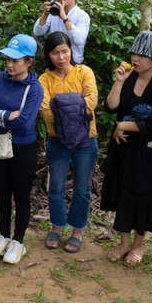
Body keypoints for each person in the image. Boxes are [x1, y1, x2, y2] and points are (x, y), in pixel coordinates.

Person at [101, 32, 152, 266]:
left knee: (142, 196)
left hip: (146, 152)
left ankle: (137, 245)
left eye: (143, 55)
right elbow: (111, 107)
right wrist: (120, 81)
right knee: (123, 194)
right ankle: (123, 244)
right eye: (134, 52)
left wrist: (122, 125)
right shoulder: (129, 79)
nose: (136, 58)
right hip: (123, 149)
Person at [0, 34, 43, 265]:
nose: (9, 64)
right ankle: (4, 236)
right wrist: (6, 115)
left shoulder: (35, 88)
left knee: (21, 195)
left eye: (15, 60)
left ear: (29, 61)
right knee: (2, 193)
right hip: (0, 144)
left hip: (23, 148)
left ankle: (18, 240)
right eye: (8, 58)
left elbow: (25, 122)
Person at [39, 31, 99, 254]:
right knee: (56, 186)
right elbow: (45, 111)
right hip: (57, 140)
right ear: (49, 54)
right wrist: (77, 102)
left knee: (82, 188)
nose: (61, 57)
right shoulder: (44, 79)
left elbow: (92, 101)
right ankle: (56, 226)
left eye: (65, 51)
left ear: (71, 50)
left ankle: (77, 231)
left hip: (86, 139)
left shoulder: (85, 72)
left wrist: (60, 104)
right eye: (55, 52)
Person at [32, 0, 91, 65]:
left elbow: (79, 40)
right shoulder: (53, 12)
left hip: (73, 64)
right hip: (53, 64)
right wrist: (45, 14)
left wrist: (64, 18)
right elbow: (37, 32)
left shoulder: (82, 16)